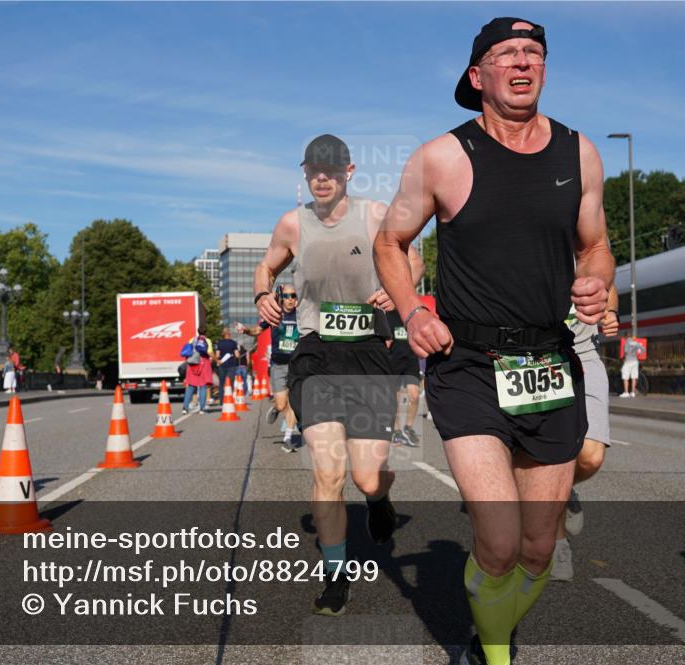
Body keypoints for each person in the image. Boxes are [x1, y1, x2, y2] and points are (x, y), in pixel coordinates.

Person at [373, 18, 613, 665]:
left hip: (550, 362)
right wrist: (410, 312)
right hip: (469, 364)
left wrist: (596, 284)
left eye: (533, 51)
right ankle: (497, 655)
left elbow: (595, 247)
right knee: (501, 542)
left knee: (539, 549)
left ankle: (489, 634)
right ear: (478, 76)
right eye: (506, 52)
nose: (522, 61)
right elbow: (389, 242)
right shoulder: (442, 156)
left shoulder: (580, 152)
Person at [254, 134, 424, 615]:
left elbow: (414, 258)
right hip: (318, 358)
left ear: (349, 172)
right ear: (305, 173)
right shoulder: (292, 223)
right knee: (328, 473)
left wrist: (400, 291)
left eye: (331, 169)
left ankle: (378, 502)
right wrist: (262, 294)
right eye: (314, 170)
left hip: (370, 354)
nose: (322, 177)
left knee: (368, 479)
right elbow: (265, 268)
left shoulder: (374, 216)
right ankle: (336, 575)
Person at [551, 286, 619, 582]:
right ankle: (556, 545)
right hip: (532, 356)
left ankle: (563, 490)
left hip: (582, 352)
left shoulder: (582, 242)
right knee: (548, 461)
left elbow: (608, 286)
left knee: (590, 455)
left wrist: (611, 311)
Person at [237, 284, 301, 452]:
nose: (290, 299)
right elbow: (258, 329)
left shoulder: (302, 316)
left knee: (294, 402)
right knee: (282, 404)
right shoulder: (274, 315)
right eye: (287, 296)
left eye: (293, 296)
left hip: (296, 364)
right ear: (281, 298)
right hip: (278, 365)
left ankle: (288, 438)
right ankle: (276, 408)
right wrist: (245, 330)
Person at [385, 309, 422, 447]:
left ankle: (408, 428)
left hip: (411, 360)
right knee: (394, 399)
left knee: (414, 395)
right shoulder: (388, 315)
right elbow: (386, 341)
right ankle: (395, 431)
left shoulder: (410, 312)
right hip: (394, 360)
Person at [182, 327, 212, 414]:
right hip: (203, 364)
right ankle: (202, 409)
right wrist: (216, 360)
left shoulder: (192, 340)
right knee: (203, 386)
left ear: (197, 332)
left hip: (192, 364)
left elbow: (188, 351)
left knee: (191, 386)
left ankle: (185, 408)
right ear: (206, 332)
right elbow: (209, 352)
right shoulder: (207, 340)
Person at [215, 328, 239, 396]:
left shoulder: (219, 343)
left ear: (223, 334)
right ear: (229, 334)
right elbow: (237, 355)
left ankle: (222, 401)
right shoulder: (233, 343)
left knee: (222, 383)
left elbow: (217, 355)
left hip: (222, 365)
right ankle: (230, 398)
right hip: (232, 365)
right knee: (230, 382)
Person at [620, 333, 644, 397]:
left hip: (628, 361)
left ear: (625, 337)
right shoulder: (635, 342)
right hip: (635, 361)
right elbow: (643, 349)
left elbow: (626, 352)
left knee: (625, 377)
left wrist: (623, 358)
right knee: (634, 377)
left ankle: (626, 392)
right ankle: (633, 392)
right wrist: (639, 353)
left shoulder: (627, 343)